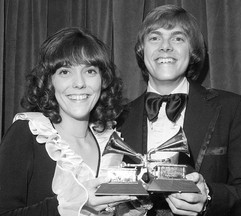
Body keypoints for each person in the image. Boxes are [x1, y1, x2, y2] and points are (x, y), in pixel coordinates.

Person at [117, 4, 241, 216]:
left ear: (192, 51)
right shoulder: (118, 118)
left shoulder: (233, 108)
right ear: (142, 49)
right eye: (155, 38)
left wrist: (209, 197)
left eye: (178, 38)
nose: (165, 46)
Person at [0, 27, 139, 216]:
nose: (79, 83)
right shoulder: (28, 133)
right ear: (49, 82)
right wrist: (73, 206)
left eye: (90, 71)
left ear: (103, 80)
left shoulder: (112, 142)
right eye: (65, 72)